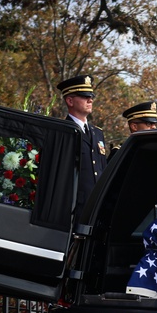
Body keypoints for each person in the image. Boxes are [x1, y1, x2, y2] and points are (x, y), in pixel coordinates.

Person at [56, 74, 107, 220]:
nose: (90, 100)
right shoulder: (63, 132)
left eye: (91, 96)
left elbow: (102, 169)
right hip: (73, 210)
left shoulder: (97, 133)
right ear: (70, 100)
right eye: (84, 96)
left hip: (97, 209)